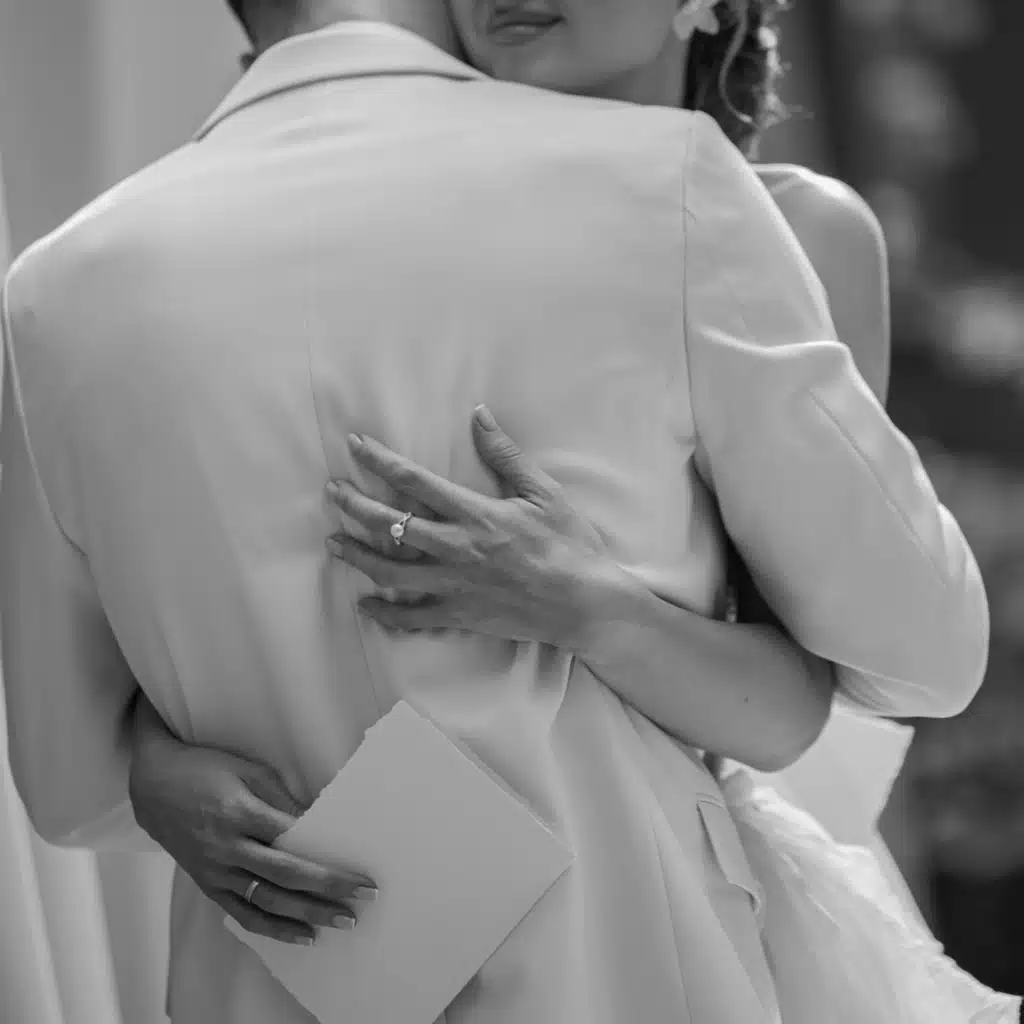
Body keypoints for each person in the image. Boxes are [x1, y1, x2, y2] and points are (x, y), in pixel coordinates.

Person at [0, 2, 992, 1023]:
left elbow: (815, 696)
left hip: (603, 906)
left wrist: (591, 604)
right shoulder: (638, 189)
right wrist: (151, 763)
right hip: (552, 943)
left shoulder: (753, 209)